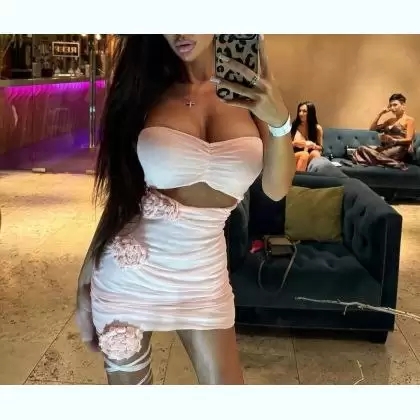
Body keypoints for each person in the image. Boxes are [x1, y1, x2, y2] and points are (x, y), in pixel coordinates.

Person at [76, 34, 295, 385]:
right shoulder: (145, 91)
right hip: (130, 273)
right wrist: (87, 270)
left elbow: (276, 188)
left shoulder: (250, 92)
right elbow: (122, 196)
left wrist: (280, 121)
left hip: (204, 273)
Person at [352, 93, 416, 169]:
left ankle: (393, 163)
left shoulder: (409, 120)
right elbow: (372, 129)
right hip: (386, 147)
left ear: (403, 105)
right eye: (390, 105)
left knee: (365, 152)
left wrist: (394, 140)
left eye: (395, 105)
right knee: (360, 149)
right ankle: (385, 161)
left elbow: (409, 140)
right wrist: (380, 114)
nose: (392, 108)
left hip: (399, 149)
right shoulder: (390, 121)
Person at [291, 101, 323, 171]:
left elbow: (321, 148)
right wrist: (296, 143)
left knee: (315, 154)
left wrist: (313, 145)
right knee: (304, 155)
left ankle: (313, 177)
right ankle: (298, 177)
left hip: (309, 155)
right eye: (299, 111)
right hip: (295, 156)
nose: (300, 114)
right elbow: (286, 146)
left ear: (311, 113)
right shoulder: (294, 126)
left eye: (304, 111)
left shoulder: (317, 128)